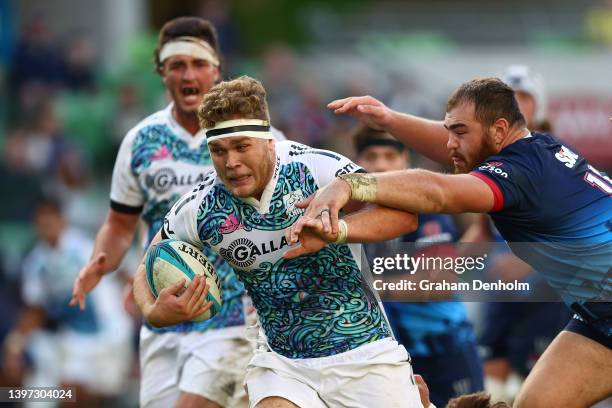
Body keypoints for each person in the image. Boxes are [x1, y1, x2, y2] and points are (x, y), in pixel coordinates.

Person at [290, 77, 612, 407]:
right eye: (450, 132)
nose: (450, 144)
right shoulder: (537, 148)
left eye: (459, 132)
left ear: (499, 130)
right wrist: (390, 120)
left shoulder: (519, 174)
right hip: (599, 318)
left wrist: (350, 186)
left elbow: (440, 192)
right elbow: (459, 147)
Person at [133, 76, 424, 408]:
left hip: (364, 350)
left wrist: (337, 229)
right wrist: (154, 312)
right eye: (218, 151)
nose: (231, 163)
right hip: (282, 363)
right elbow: (149, 261)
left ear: (268, 141)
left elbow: (404, 216)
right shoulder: (201, 207)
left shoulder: (315, 168)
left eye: (242, 146)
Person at [69, 17, 285, 408]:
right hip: (161, 316)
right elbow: (119, 225)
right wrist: (100, 262)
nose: (189, 74)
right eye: (177, 65)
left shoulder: (258, 138)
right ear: (162, 72)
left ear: (216, 68)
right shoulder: (141, 141)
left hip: (231, 317)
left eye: (199, 64)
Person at [354, 126, 483, 407]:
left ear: (406, 163)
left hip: (447, 352)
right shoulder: (351, 218)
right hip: (392, 359)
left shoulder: (426, 211)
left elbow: (439, 284)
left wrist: (374, 288)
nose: (381, 164)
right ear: (357, 165)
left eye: (390, 155)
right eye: (372, 156)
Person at [3, 198, 132, 406]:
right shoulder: (35, 263)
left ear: (62, 219)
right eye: (41, 220)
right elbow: (35, 308)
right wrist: (15, 345)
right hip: (72, 338)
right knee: (67, 393)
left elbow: (120, 271)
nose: (46, 224)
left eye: (50, 218)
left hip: (108, 330)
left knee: (89, 394)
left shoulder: (83, 248)